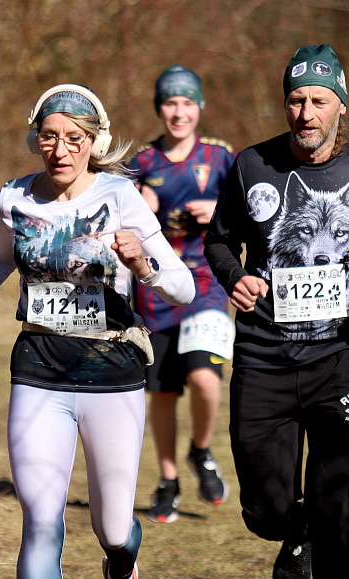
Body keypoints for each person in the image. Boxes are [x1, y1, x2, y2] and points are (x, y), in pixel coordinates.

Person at [0, 84, 195, 579]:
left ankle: (122, 558)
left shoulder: (120, 195)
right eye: (49, 136)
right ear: (36, 139)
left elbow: (184, 288)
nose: (61, 149)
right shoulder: (14, 198)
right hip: (38, 369)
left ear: (94, 142)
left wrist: (144, 263)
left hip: (113, 371)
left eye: (74, 137)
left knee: (112, 530)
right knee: (41, 523)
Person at [203, 45, 349, 579]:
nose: (307, 113)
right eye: (296, 100)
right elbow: (218, 243)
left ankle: (323, 538)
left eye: (319, 101)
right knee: (266, 511)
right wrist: (236, 279)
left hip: (344, 360)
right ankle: (295, 533)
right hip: (264, 361)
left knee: (338, 500)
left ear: (340, 107)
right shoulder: (252, 165)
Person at [128, 65, 235, 524]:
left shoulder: (221, 156)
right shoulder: (142, 161)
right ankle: (167, 481)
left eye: (187, 103)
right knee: (164, 392)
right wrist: (139, 212)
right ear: (159, 108)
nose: (179, 112)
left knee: (206, 378)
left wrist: (219, 210)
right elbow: (115, 222)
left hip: (209, 284)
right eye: (170, 103)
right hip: (156, 291)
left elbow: (252, 212)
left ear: (200, 107)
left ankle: (202, 451)